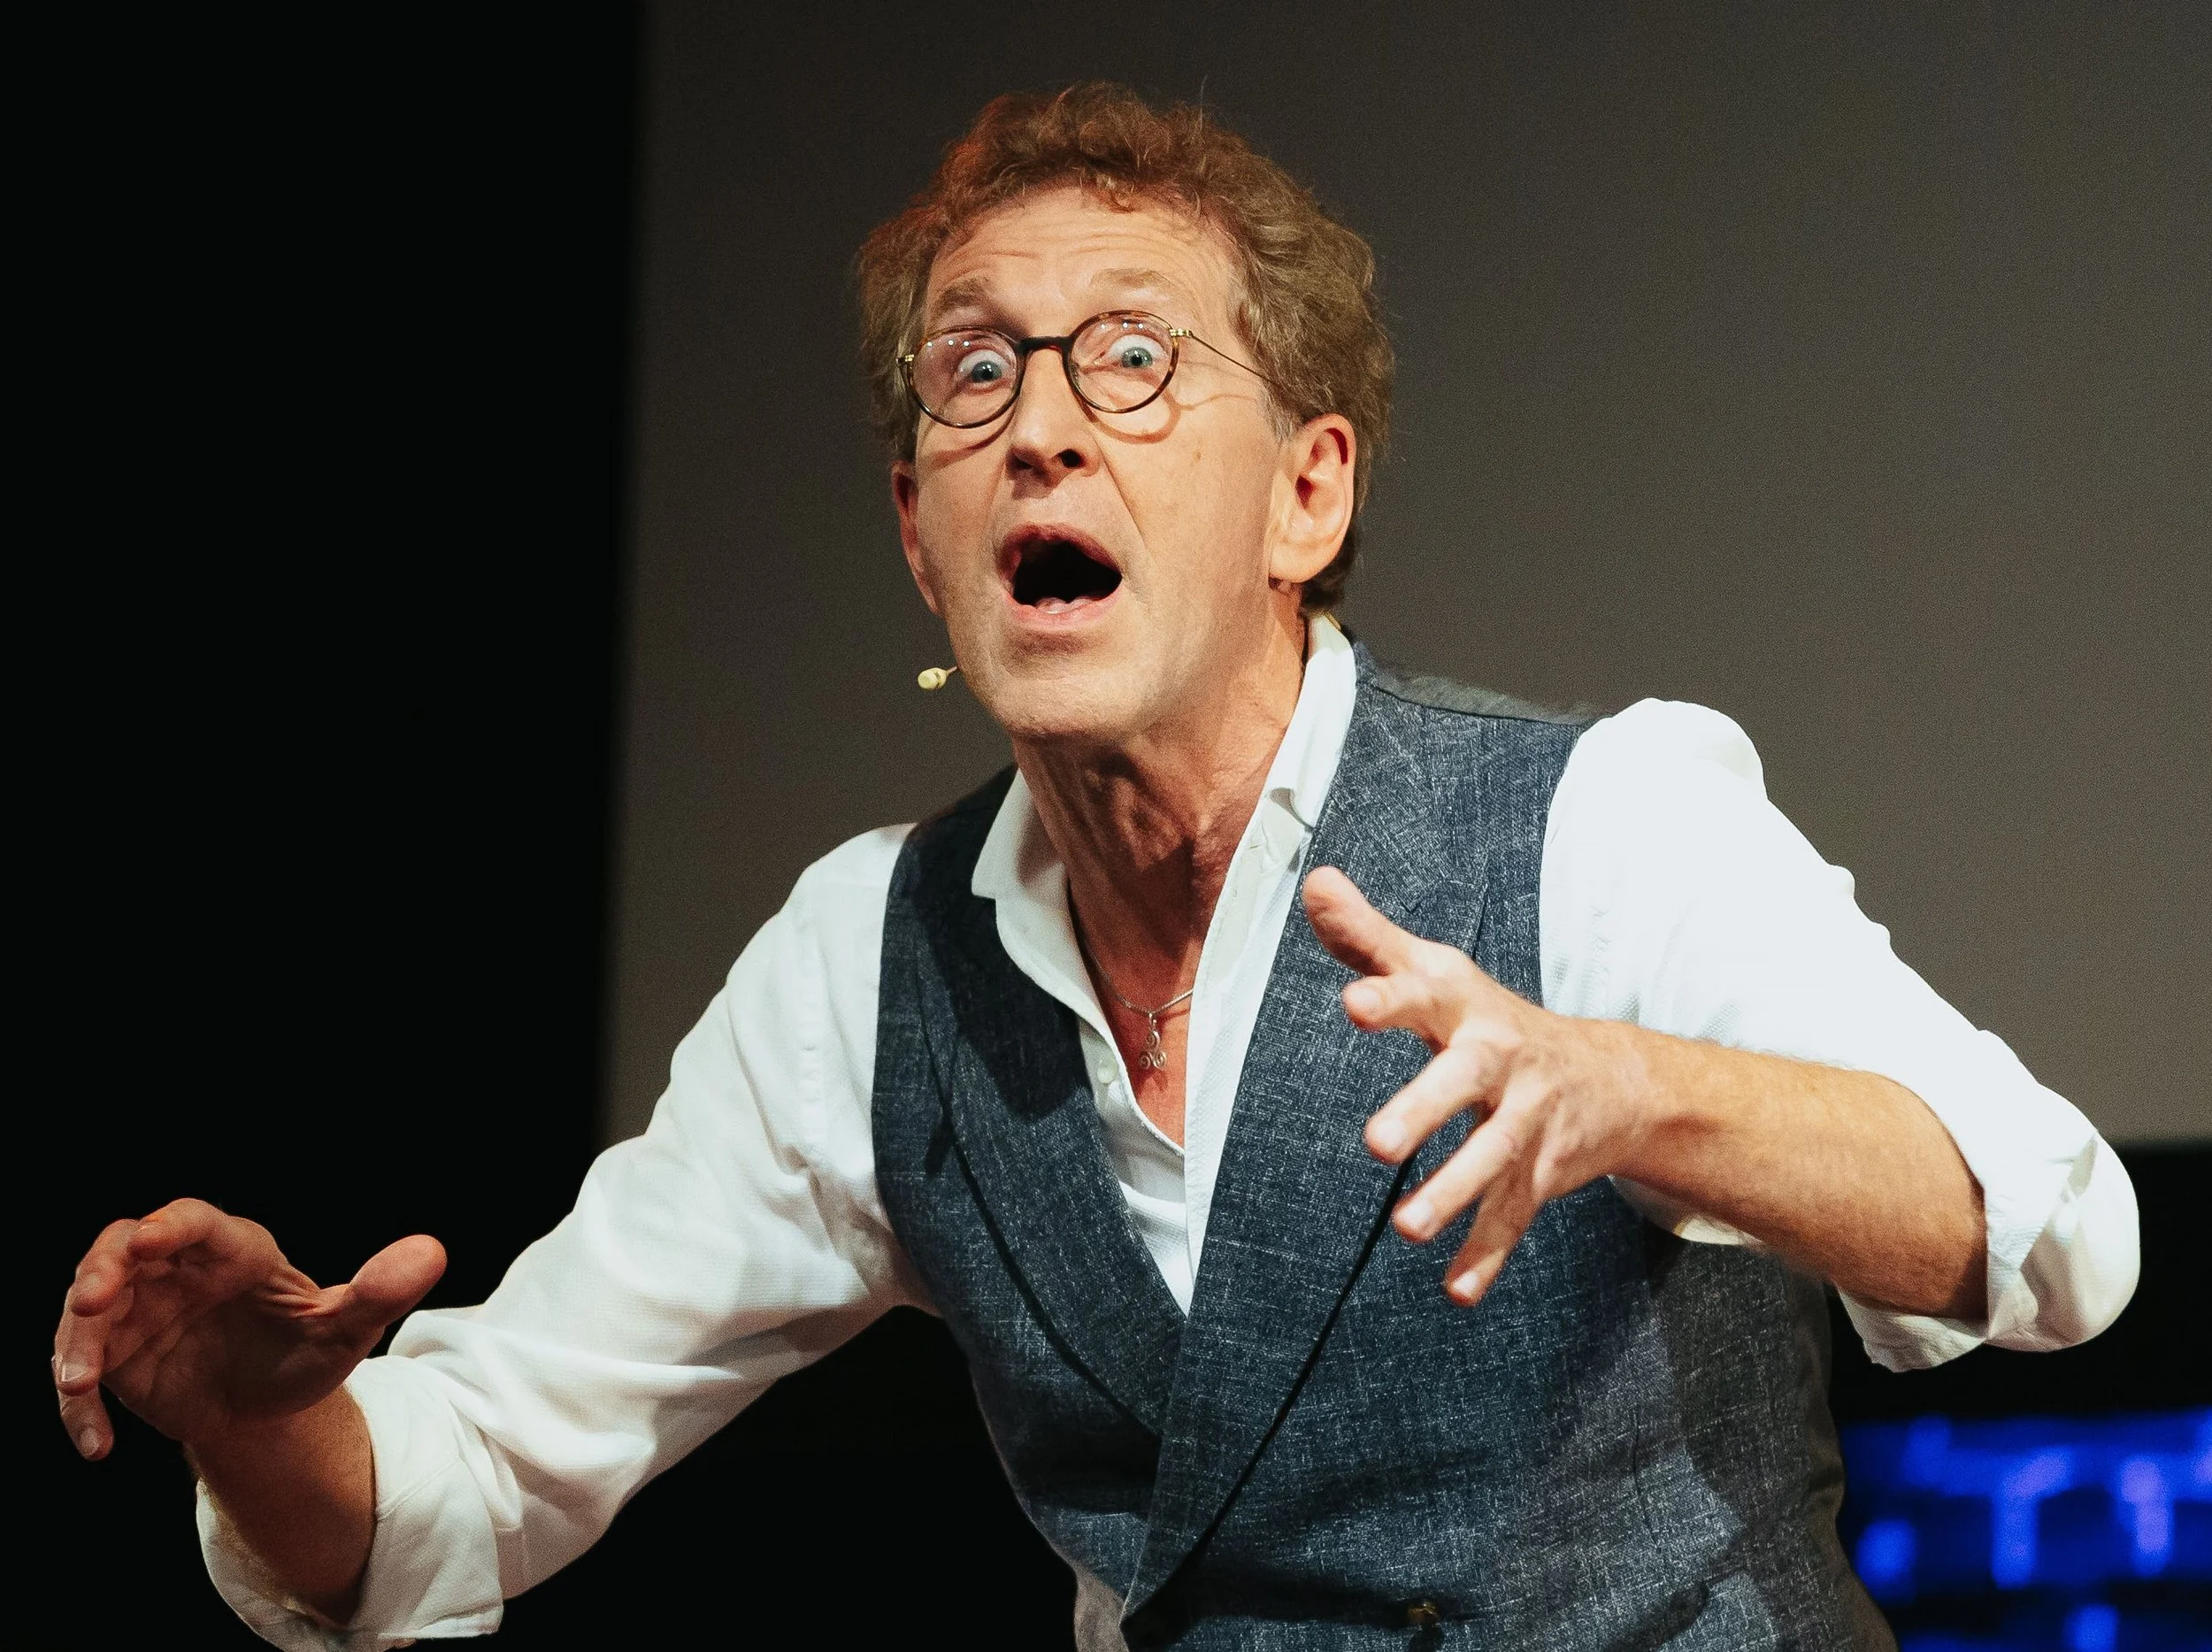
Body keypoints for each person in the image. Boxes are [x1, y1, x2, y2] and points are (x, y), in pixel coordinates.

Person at [55, 86, 2138, 1651]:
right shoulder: (862, 971)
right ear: (915, 529)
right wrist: (255, 1423)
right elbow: (465, 1479)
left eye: (1134, 359)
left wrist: (1636, 1092)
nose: (1042, 427)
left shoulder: (1599, 818)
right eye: (978, 371)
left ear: (1303, 491)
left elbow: (2047, 1233)